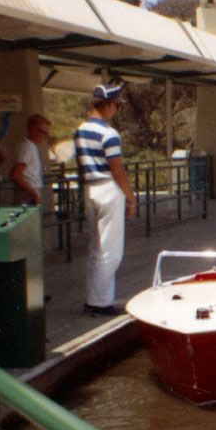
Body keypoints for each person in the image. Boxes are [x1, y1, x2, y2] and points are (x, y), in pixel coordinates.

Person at [74, 84, 135, 316]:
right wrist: (130, 197)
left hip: (90, 189)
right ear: (108, 105)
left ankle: (93, 298)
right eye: (115, 106)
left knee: (95, 248)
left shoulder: (80, 131)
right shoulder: (110, 134)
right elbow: (117, 169)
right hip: (108, 189)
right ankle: (101, 302)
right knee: (110, 250)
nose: (115, 110)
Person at [10, 114, 52, 206]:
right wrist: (33, 193)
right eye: (43, 132)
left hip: (31, 192)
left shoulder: (32, 147)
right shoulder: (27, 148)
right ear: (34, 130)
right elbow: (15, 175)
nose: (44, 136)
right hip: (26, 194)